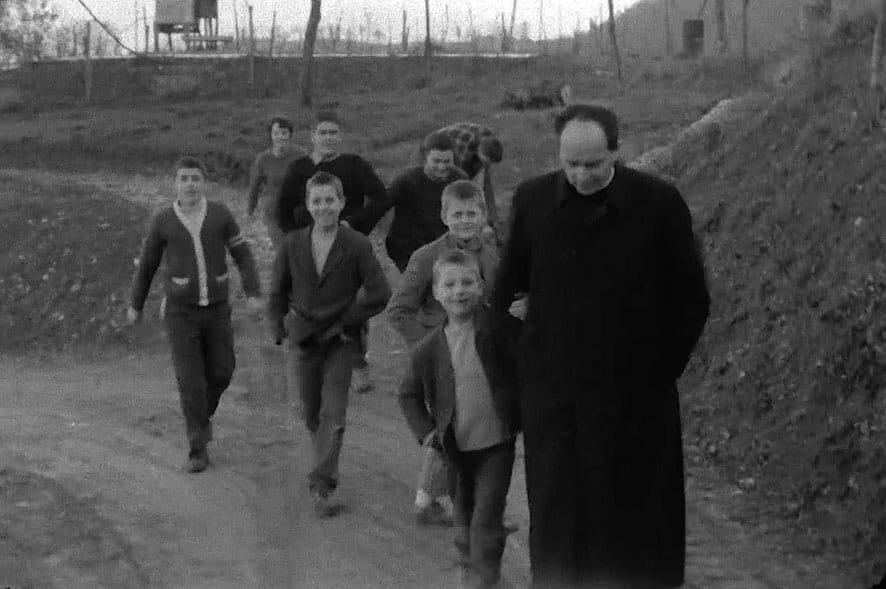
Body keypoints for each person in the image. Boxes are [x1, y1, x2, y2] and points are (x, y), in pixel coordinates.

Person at [494, 104, 711, 588]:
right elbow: (504, 293)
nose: (580, 176)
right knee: (561, 523)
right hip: (557, 400)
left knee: (637, 524)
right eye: (570, 164)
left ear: (617, 150)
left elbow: (691, 299)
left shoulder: (659, 203)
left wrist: (659, 371)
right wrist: (527, 363)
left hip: (636, 399)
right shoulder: (532, 201)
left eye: (592, 164)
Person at [128, 155, 262, 473]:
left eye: (196, 178)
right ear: (175, 184)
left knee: (223, 370)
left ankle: (202, 417)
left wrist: (254, 292)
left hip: (217, 309)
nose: (190, 184)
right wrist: (136, 304)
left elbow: (242, 254)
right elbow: (147, 265)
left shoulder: (220, 215)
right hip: (180, 312)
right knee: (190, 381)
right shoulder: (163, 221)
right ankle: (197, 448)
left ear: (204, 183)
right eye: (184, 178)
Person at [269, 171, 391, 517]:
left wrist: (348, 318)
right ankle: (323, 451)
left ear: (341, 203)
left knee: (333, 413)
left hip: (341, 341)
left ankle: (322, 484)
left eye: (330, 200)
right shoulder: (292, 244)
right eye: (317, 201)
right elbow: (277, 290)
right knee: (310, 412)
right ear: (308, 205)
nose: (324, 207)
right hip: (302, 338)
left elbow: (380, 292)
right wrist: (278, 327)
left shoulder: (357, 245)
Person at [399, 249, 521, 589]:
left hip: (497, 446)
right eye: (449, 285)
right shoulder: (428, 348)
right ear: (436, 292)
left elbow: (529, 362)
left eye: (467, 282)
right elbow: (407, 394)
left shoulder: (500, 330)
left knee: (485, 518)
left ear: (481, 286)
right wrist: (427, 433)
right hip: (454, 450)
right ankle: (472, 568)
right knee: (465, 522)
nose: (459, 291)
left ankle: (484, 580)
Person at [386, 179, 499, 525]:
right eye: (457, 214)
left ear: (483, 215)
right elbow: (398, 310)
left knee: (466, 424)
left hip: (480, 353)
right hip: (442, 356)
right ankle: (442, 501)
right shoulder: (426, 257)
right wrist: (431, 349)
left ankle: (428, 498)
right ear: (444, 216)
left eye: (471, 214)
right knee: (450, 424)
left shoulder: (492, 254)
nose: (465, 221)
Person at [276, 110, 390, 394]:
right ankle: (310, 356)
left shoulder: (354, 165)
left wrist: (356, 224)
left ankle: (357, 360)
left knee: (351, 302)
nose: (328, 138)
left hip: (346, 247)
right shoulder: (299, 168)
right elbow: (283, 209)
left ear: (340, 137)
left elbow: (381, 198)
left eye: (333, 133)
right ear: (312, 136)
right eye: (322, 132)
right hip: (309, 246)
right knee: (306, 300)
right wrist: (295, 240)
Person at [384, 131, 469, 273]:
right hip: (407, 246)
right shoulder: (407, 181)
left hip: (444, 244)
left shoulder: (459, 179)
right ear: (425, 158)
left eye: (447, 161)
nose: (441, 167)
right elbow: (378, 207)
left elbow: (470, 208)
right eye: (436, 161)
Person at [434, 122, 503, 238]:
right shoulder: (465, 153)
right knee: (454, 191)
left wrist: (492, 218)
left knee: (483, 178)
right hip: (438, 145)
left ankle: (491, 219)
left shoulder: (490, 140)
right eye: (486, 161)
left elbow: (485, 182)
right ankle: (446, 222)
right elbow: (462, 184)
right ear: (480, 151)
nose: (488, 166)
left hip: (463, 140)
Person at [246, 116, 303, 247]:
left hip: (295, 208)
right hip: (273, 208)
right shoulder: (263, 159)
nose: (280, 137)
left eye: (284, 133)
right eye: (276, 133)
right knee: (280, 247)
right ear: (271, 136)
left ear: (290, 135)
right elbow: (254, 186)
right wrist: (250, 210)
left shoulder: (301, 155)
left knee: (296, 245)